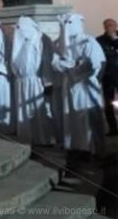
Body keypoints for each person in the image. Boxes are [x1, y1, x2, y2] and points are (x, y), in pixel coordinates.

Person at [52, 13, 106, 155]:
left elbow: (94, 64)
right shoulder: (58, 43)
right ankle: (76, 147)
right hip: (68, 85)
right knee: (72, 117)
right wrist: (73, 64)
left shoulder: (88, 41)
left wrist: (73, 68)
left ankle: (94, 148)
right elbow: (55, 64)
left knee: (88, 116)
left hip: (86, 86)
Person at [11, 16, 56, 145]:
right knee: (24, 111)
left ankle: (44, 138)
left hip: (36, 81)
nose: (19, 31)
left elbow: (46, 61)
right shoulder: (19, 41)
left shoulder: (41, 40)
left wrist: (47, 81)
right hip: (21, 82)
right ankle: (27, 137)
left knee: (38, 111)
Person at [96, 18, 118, 136]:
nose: (110, 27)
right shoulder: (99, 40)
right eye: (107, 25)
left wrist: (114, 39)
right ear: (104, 27)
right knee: (109, 103)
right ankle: (113, 129)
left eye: (112, 25)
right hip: (108, 75)